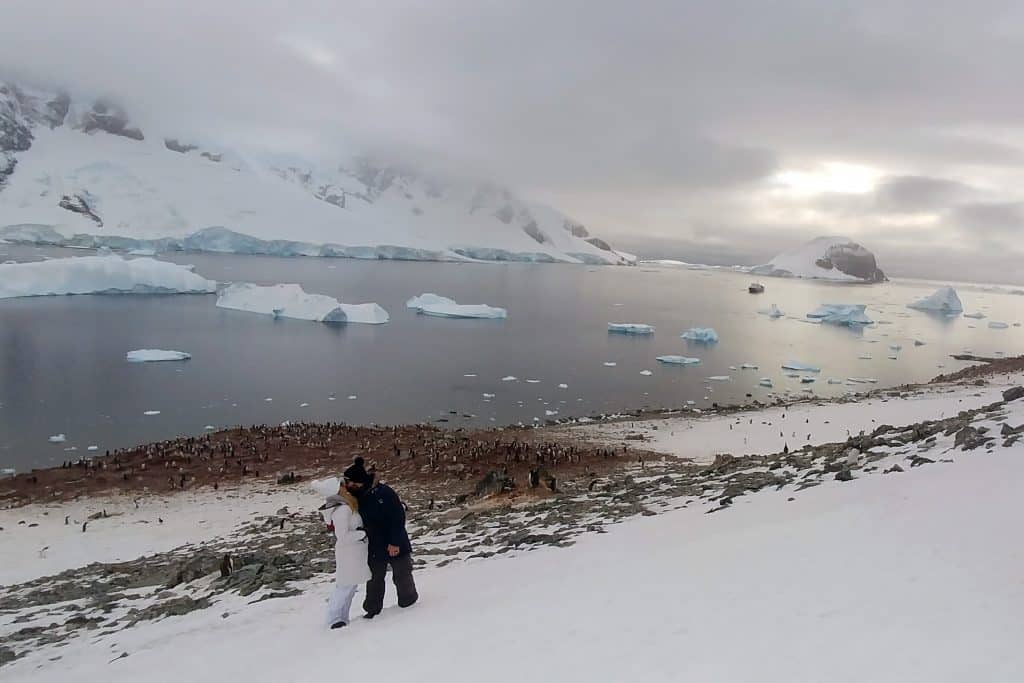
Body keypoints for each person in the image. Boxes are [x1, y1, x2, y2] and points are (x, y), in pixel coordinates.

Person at [342, 457, 418, 618]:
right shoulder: (356, 496)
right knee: (375, 578)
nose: (347, 486)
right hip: (374, 544)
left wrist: (395, 542)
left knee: (402, 573)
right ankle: (372, 609)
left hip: (394, 540)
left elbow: (398, 518)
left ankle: (409, 603)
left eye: (349, 482)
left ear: (358, 482)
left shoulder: (384, 493)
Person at [319, 479, 371, 629]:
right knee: (344, 586)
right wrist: (362, 533)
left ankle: (342, 617)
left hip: (354, 551)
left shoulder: (346, 506)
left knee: (350, 585)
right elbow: (342, 535)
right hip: (348, 551)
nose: (345, 486)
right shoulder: (342, 510)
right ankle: (333, 618)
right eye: (342, 485)